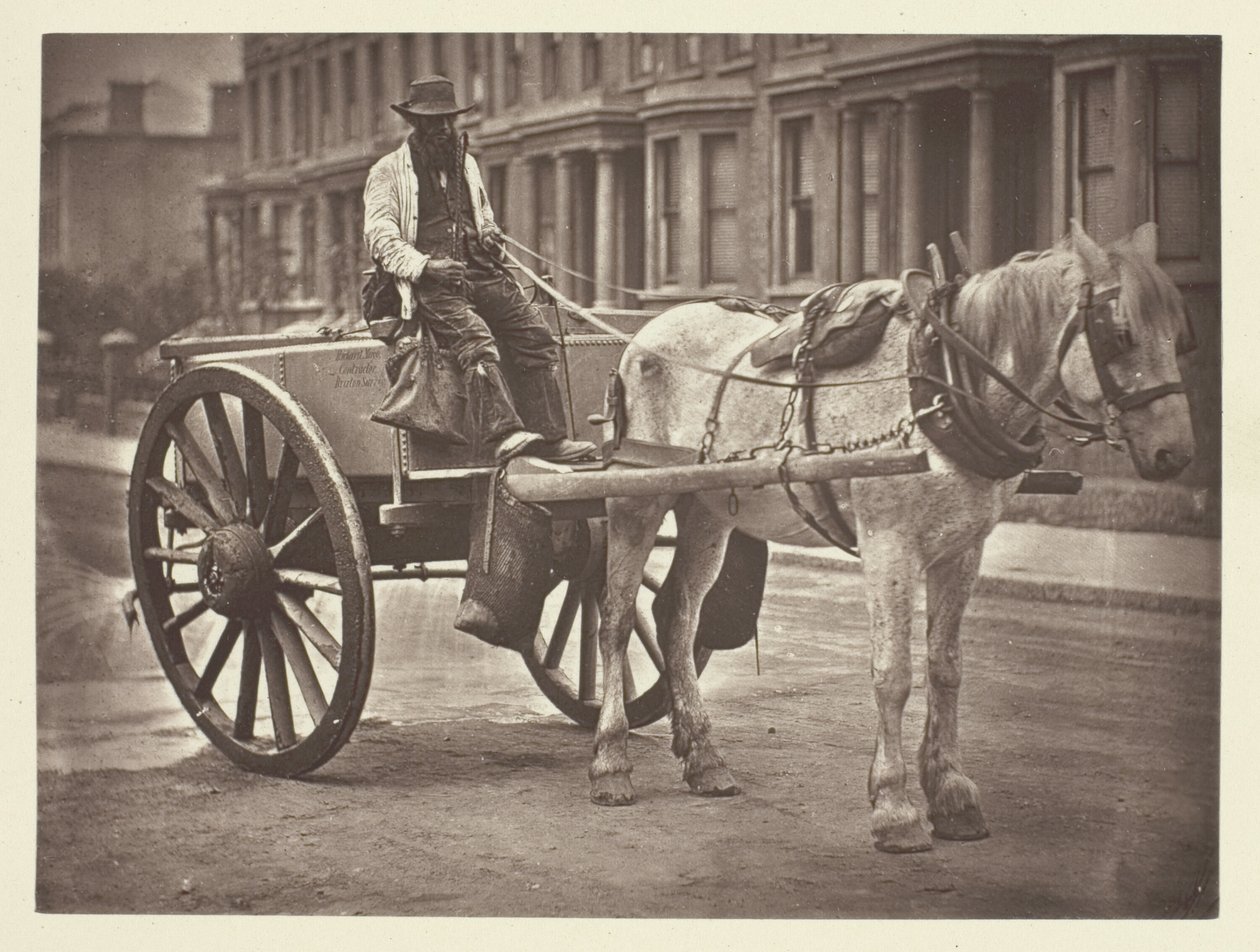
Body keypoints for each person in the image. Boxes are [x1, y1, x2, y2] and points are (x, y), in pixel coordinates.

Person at [363, 75, 596, 463]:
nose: (441, 129)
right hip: (429, 287)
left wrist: (489, 234)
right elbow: (380, 237)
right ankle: (503, 434)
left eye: (446, 121)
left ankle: (552, 439)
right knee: (476, 340)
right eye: (430, 122)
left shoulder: (466, 164)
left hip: (481, 274)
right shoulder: (388, 172)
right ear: (415, 125)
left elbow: (483, 214)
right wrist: (427, 266)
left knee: (535, 334)